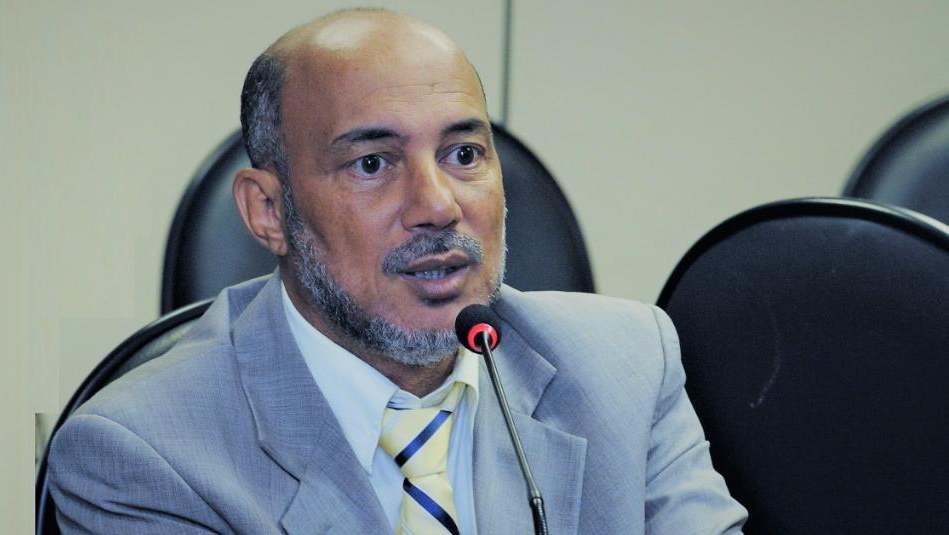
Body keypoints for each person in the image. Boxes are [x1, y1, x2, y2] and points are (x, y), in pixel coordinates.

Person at [48, 8, 747, 534]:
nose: (437, 206)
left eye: (464, 155)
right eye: (372, 163)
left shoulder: (627, 367)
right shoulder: (140, 456)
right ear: (268, 211)